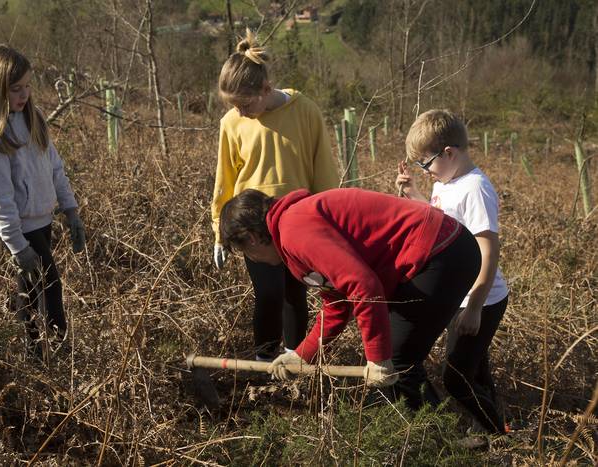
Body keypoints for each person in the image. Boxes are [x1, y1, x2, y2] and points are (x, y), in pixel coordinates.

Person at [219, 188, 481, 406]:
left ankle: (438, 446)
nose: (250, 259)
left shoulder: (294, 230)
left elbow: (363, 285)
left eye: (244, 252)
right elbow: (338, 300)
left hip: (440, 251)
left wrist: (378, 357)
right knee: (400, 360)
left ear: (251, 238)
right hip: (444, 250)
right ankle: (446, 433)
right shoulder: (289, 230)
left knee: (399, 361)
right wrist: (302, 355)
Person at [211, 29, 340, 361]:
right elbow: (225, 179)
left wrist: (331, 223)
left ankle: (296, 360)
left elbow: (322, 168)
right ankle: (265, 360)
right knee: (267, 293)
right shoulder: (231, 123)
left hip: (299, 223)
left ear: (266, 90)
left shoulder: (305, 111)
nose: (239, 112)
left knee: (294, 295)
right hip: (253, 226)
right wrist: (218, 231)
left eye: (244, 104)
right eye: (233, 106)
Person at [0, 45, 85, 354]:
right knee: (51, 287)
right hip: (20, 230)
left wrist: (70, 210)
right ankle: (58, 355)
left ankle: (32, 357)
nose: (25, 94)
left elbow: (55, 167)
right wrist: (19, 248)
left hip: (43, 220)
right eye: (16, 89)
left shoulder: (34, 119)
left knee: (29, 293)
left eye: (28, 86)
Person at [395, 109, 509, 434]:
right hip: (459, 295)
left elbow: (489, 251)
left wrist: (474, 307)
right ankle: (494, 419)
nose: (425, 170)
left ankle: (497, 432)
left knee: (456, 379)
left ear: (449, 152)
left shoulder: (474, 188)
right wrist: (413, 194)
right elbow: (441, 219)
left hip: (481, 299)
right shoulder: (449, 181)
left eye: (426, 163)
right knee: (472, 369)